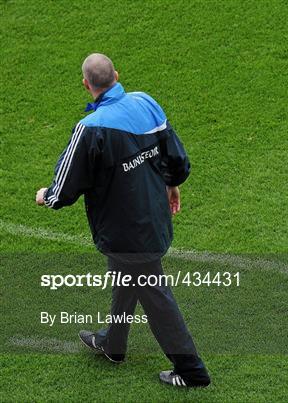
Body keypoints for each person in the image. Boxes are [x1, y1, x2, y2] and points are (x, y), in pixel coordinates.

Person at [35, 53, 210, 387]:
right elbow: (174, 153)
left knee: (155, 297)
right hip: (153, 218)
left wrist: (49, 195)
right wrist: (172, 184)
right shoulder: (146, 102)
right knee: (126, 279)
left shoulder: (91, 128)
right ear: (117, 74)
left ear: (86, 85)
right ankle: (113, 344)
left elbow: (68, 182)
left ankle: (192, 371)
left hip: (125, 231)